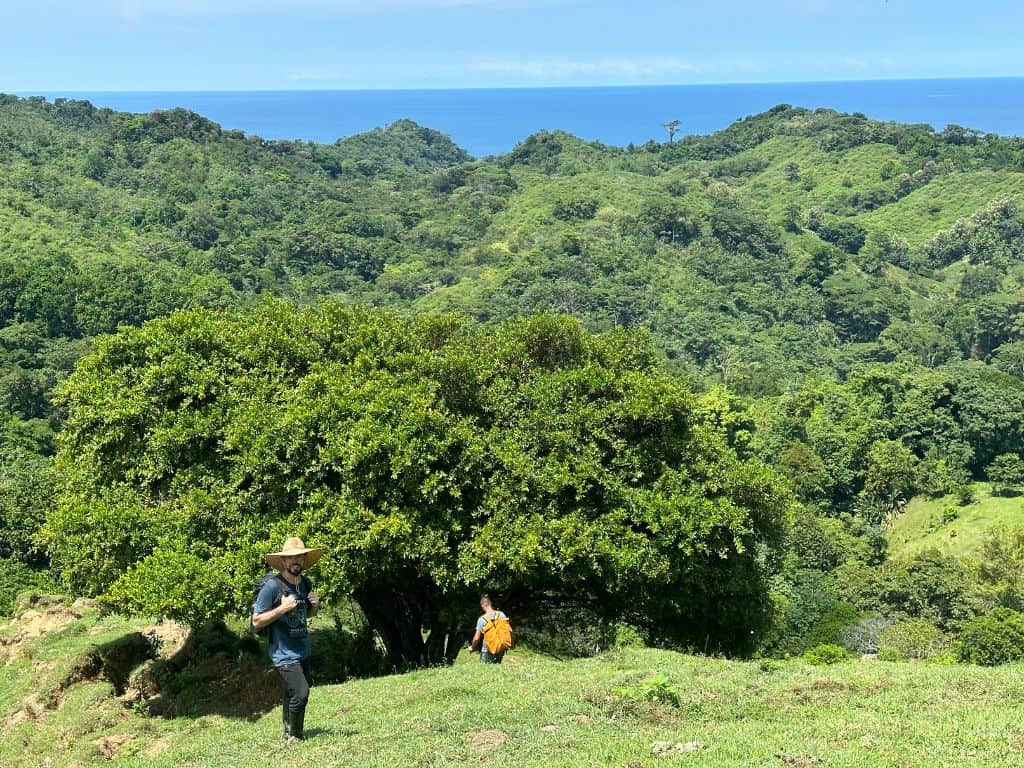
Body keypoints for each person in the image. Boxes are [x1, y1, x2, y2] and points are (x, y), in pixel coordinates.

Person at [252, 536, 322, 743]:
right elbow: (256, 621)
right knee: (301, 693)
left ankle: (287, 730)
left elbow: (306, 615)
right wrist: (282, 608)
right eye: (291, 558)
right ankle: (296, 736)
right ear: (283, 561)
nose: (295, 561)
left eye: (299, 557)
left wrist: (315, 605)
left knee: (292, 693)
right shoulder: (272, 588)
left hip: (302, 648)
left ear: (304, 559)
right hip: (283, 653)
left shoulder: (305, 583)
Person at [468, 594, 512, 663]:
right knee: (496, 670)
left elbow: (476, 638)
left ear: (482, 606)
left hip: (487, 650)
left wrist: (472, 647)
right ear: (490, 603)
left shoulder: (482, 619)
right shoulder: (501, 614)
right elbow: (510, 630)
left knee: (484, 671)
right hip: (500, 648)